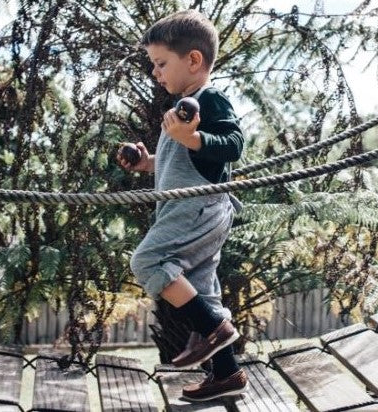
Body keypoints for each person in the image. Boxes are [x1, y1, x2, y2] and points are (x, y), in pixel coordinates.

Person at [117, 9, 248, 401]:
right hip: (186, 209)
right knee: (204, 292)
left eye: (161, 63)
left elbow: (234, 145)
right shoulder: (181, 114)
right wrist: (147, 163)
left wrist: (193, 137)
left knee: (146, 262)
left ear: (193, 60)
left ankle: (214, 329)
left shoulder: (209, 100)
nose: (156, 73)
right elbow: (180, 161)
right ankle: (227, 375)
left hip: (199, 208)